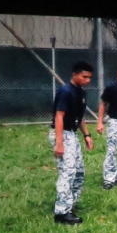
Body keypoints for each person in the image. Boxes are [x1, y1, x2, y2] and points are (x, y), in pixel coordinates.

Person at [49, 61, 94, 224]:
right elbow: (59, 116)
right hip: (62, 133)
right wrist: (59, 143)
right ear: (75, 74)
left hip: (72, 134)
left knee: (79, 172)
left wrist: (87, 136)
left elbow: (80, 118)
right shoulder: (65, 91)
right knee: (67, 172)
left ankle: (70, 204)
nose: (87, 80)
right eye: (84, 77)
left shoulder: (81, 93)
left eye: (90, 78)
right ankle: (61, 213)